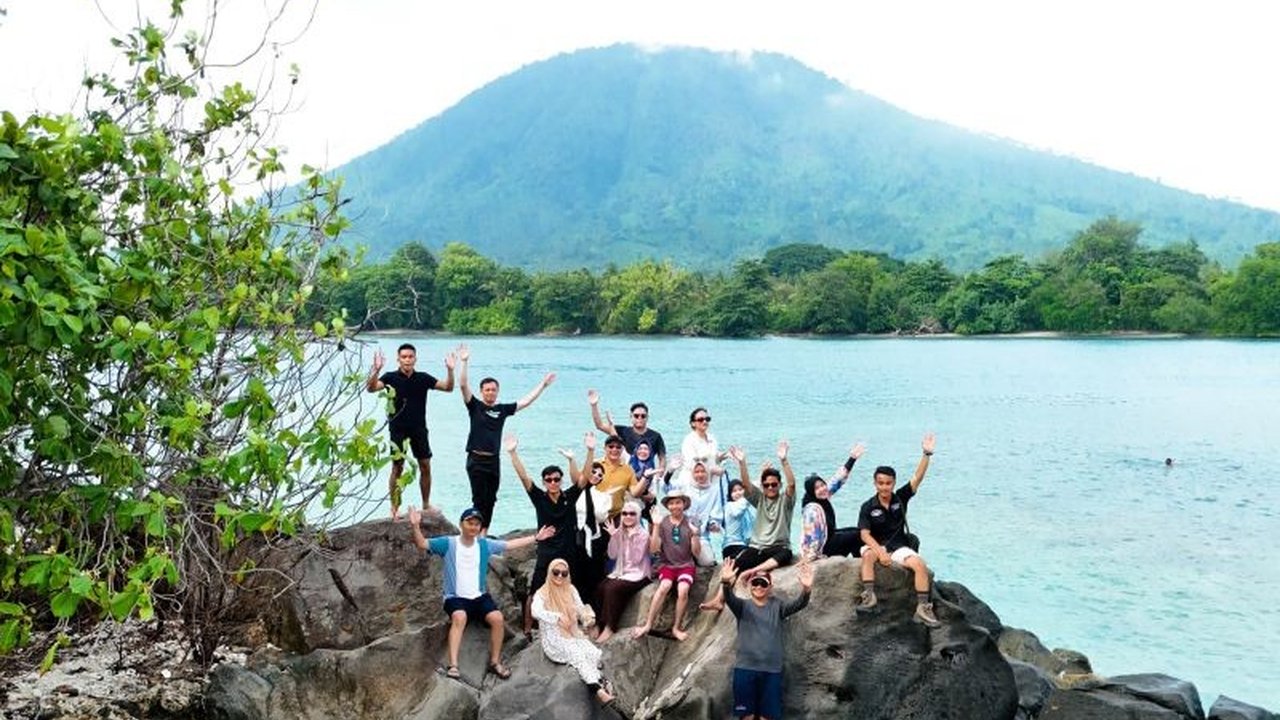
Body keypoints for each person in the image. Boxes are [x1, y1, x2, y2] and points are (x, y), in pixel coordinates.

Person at [407, 505, 554, 680]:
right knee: (459, 617)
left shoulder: (484, 544)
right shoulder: (448, 543)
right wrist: (415, 526)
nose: (473, 527)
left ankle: (495, 662)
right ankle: (453, 664)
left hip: (479, 596)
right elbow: (422, 543)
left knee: (498, 618)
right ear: (461, 524)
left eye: (477, 524)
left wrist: (536, 538)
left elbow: (509, 545)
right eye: (470, 523)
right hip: (455, 597)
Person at [458, 343, 555, 531]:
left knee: (491, 499)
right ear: (481, 391)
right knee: (478, 499)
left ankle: (484, 533)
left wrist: (542, 385)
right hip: (476, 460)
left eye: (493, 389)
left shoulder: (502, 410)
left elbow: (525, 402)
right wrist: (464, 361)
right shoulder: (475, 406)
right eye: (487, 390)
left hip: (494, 461)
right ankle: (473, 532)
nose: (490, 392)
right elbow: (462, 385)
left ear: (497, 391)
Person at [506, 433, 591, 640]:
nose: (553, 482)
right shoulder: (539, 498)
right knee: (535, 590)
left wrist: (590, 451)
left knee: (570, 589)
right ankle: (527, 629)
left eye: (556, 479)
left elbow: (584, 478)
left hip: (568, 551)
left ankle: (571, 625)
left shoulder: (569, 496)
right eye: (549, 480)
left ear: (561, 481)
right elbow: (524, 477)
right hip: (547, 551)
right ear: (544, 482)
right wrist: (513, 453)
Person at [855, 432, 940, 627]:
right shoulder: (868, 506)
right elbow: (864, 534)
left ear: (893, 483)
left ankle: (923, 607)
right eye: (881, 483)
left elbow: (917, 478)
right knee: (867, 557)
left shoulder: (900, 498)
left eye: (888, 483)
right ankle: (869, 595)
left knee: (920, 565)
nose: (885, 487)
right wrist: (879, 552)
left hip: (898, 546)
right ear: (875, 483)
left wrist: (926, 454)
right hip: (876, 546)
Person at [701, 442, 796, 612]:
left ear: (779, 485)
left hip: (777, 547)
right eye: (767, 485)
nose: (771, 488)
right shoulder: (759, 500)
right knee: (733, 565)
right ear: (763, 486)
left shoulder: (785, 501)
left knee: (786, 553)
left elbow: (792, 485)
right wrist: (742, 463)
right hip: (757, 547)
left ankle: (752, 571)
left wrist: (784, 460)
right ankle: (718, 600)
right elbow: (746, 486)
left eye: (774, 484)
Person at [365, 343, 455, 520]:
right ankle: (394, 507)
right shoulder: (390, 377)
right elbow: (371, 388)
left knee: (425, 466)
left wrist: (450, 370)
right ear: (398, 359)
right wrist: (376, 370)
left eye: (410, 356)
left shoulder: (423, 378)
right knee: (397, 468)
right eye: (404, 357)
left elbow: (448, 388)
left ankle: (426, 504)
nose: (407, 360)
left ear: (415, 359)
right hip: (397, 429)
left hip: (419, 429)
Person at [719, 557, 813, 720]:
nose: (759, 586)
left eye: (763, 583)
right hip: (745, 669)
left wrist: (806, 590)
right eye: (755, 583)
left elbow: (799, 604)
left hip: (771, 671)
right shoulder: (742, 606)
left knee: (767, 717)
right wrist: (726, 583)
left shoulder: (778, 606)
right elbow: (729, 598)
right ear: (749, 586)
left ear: (770, 586)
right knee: (746, 716)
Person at [530, 558, 617, 707]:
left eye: (564, 574)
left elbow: (580, 607)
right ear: (550, 572)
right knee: (578, 656)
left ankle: (601, 681)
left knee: (594, 653)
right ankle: (598, 691)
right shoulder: (542, 593)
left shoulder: (570, 589)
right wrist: (556, 617)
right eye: (556, 572)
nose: (559, 577)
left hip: (572, 633)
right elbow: (535, 612)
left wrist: (586, 617)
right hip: (554, 638)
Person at [633, 489, 700, 641]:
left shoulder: (691, 522)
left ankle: (676, 627)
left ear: (684, 504)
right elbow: (654, 549)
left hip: (686, 565)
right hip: (668, 565)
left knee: (683, 590)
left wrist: (695, 534)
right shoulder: (662, 523)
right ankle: (648, 624)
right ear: (668, 506)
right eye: (671, 503)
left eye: (678, 502)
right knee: (664, 587)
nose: (675, 506)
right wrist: (656, 526)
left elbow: (696, 553)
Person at [594, 499, 652, 643]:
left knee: (613, 588)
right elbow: (612, 554)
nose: (628, 517)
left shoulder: (643, 535)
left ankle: (609, 627)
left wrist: (631, 539)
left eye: (632, 514)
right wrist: (614, 537)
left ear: (637, 516)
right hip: (621, 571)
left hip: (639, 574)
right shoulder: (619, 532)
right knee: (601, 587)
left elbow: (637, 559)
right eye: (624, 513)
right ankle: (599, 624)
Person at [800, 442, 867, 560]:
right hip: (823, 548)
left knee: (858, 531)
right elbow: (812, 534)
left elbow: (837, 480)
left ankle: (860, 560)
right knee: (857, 535)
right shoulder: (812, 509)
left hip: (829, 538)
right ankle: (861, 561)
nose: (822, 489)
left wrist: (852, 459)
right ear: (811, 492)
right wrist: (810, 557)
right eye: (817, 488)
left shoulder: (822, 497)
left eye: (822, 485)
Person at [588, 389, 666, 465]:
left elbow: (662, 458)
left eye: (643, 416)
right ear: (631, 417)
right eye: (636, 416)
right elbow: (600, 425)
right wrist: (594, 406)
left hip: (647, 474)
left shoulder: (656, 436)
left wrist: (659, 473)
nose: (640, 418)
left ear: (647, 417)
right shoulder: (623, 431)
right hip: (626, 471)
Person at [685, 460, 724, 566]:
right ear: (692, 473)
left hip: (702, 536)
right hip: (683, 534)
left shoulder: (714, 490)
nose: (700, 474)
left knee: (708, 562)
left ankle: (696, 555)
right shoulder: (686, 487)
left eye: (703, 471)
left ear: (708, 473)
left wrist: (713, 523)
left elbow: (716, 510)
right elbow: (668, 489)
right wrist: (670, 472)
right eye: (696, 472)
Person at [675, 407, 725, 487]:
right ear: (693, 423)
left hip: (710, 482)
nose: (704, 422)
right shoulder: (689, 440)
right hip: (692, 483)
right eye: (700, 419)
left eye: (707, 419)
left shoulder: (712, 438)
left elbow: (713, 458)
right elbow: (692, 463)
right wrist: (712, 470)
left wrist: (723, 456)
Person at [721, 479, 757, 560]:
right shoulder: (729, 506)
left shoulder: (748, 509)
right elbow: (737, 512)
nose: (738, 493)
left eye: (740, 489)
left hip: (744, 546)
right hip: (732, 546)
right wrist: (749, 493)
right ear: (730, 495)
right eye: (734, 491)